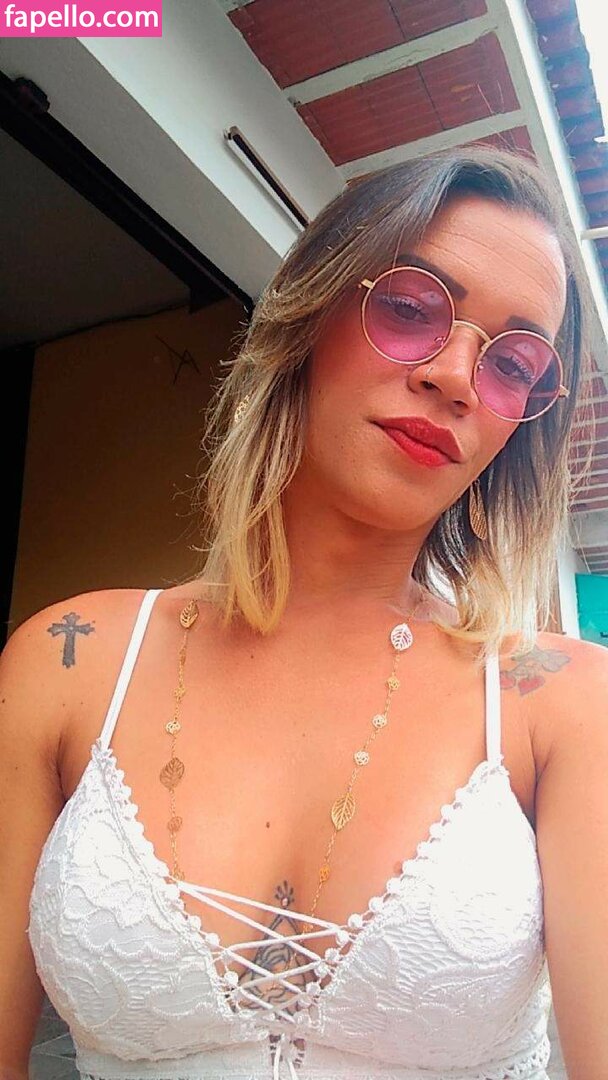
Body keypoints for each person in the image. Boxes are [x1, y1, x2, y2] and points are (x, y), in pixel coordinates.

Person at [1, 144, 607, 1080]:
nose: (457, 376)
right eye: (412, 308)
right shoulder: (67, 660)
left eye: (515, 363)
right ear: (311, 311)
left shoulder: (563, 704)